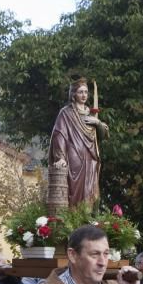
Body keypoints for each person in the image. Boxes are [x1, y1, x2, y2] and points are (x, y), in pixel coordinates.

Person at [48, 77, 108, 209]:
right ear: (73, 94)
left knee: (90, 191)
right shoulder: (66, 112)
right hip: (74, 158)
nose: (84, 95)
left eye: (86, 92)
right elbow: (59, 134)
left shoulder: (91, 114)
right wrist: (60, 157)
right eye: (80, 92)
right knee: (73, 190)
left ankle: (86, 217)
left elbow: (103, 135)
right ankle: (73, 218)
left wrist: (98, 123)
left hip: (91, 158)